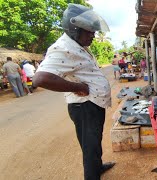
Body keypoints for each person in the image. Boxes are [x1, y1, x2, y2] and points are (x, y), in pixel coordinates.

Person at [32, 3, 115, 180]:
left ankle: (97, 167)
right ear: (74, 29)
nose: (93, 35)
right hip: (85, 107)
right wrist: (77, 87)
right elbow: (40, 79)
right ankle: (92, 175)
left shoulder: (77, 45)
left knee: (93, 143)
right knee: (90, 147)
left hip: (92, 105)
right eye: (89, 31)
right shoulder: (62, 48)